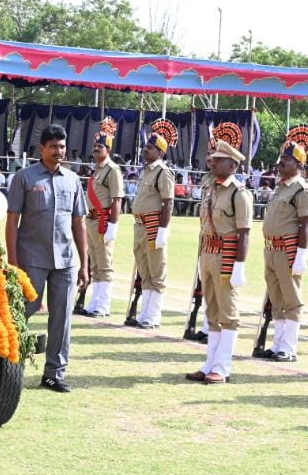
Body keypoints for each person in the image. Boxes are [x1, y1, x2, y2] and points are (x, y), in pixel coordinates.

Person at [6, 124, 89, 393]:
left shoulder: (73, 179)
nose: (58, 151)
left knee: (62, 317)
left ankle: (54, 374)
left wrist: (85, 264)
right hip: (32, 258)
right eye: (53, 146)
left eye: (62, 146)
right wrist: (13, 262)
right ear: (41, 148)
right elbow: (12, 221)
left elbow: (79, 223)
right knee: (23, 310)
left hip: (65, 260)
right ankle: (6, 364)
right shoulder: (25, 178)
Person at [185, 140, 252, 384]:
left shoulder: (239, 193)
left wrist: (239, 266)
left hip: (226, 256)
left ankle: (222, 367)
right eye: (213, 158)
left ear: (232, 165)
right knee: (211, 311)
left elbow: (244, 232)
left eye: (219, 160)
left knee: (228, 313)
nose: (213, 162)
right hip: (208, 254)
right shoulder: (211, 189)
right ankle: (210, 363)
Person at [252, 142, 308, 362]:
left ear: (298, 164)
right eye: (281, 159)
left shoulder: (301, 190)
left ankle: (289, 348)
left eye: (286, 160)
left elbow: (306, 224)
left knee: (292, 299)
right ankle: (278, 343)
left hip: (287, 250)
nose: (280, 164)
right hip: (271, 248)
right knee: (276, 299)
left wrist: (301, 255)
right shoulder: (281, 187)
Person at [130, 133, 175, 329]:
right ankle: (145, 313)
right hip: (140, 225)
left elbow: (168, 203)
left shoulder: (162, 172)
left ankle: (153, 315)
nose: (145, 150)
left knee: (156, 270)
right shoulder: (146, 171)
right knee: (144, 270)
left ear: (160, 152)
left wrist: (163, 230)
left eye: (150, 147)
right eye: (146, 146)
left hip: (153, 225)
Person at [82, 128, 124, 318]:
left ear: (108, 149)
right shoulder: (97, 170)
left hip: (103, 220)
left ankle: (104, 304)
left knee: (105, 264)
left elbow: (117, 199)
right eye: (95, 146)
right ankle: (95, 302)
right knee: (95, 264)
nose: (96, 149)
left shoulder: (112, 170)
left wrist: (112, 225)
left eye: (100, 146)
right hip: (91, 219)